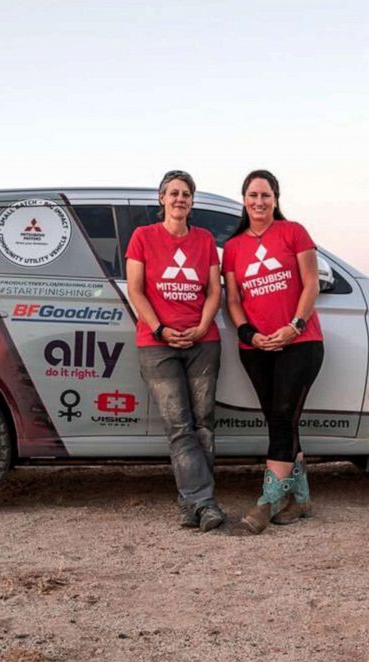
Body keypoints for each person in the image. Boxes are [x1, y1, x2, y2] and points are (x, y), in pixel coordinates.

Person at [222, 169, 324, 534]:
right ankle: (300, 498)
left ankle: (267, 501)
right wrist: (249, 334)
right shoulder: (233, 247)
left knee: (281, 418)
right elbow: (233, 300)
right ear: (244, 199)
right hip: (257, 348)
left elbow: (311, 284)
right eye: (253, 195)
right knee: (282, 421)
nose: (259, 202)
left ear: (276, 199)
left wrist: (293, 326)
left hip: (300, 341)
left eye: (266, 195)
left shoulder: (293, 231)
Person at [126, 170, 226, 532]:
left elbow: (214, 291)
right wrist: (160, 328)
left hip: (203, 342)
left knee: (204, 424)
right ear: (162, 199)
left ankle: (192, 505)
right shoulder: (143, 237)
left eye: (186, 194)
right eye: (173, 193)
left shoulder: (204, 239)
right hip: (157, 344)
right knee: (180, 426)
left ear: (192, 201)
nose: (180, 199)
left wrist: (201, 326)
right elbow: (135, 290)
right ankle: (204, 502)